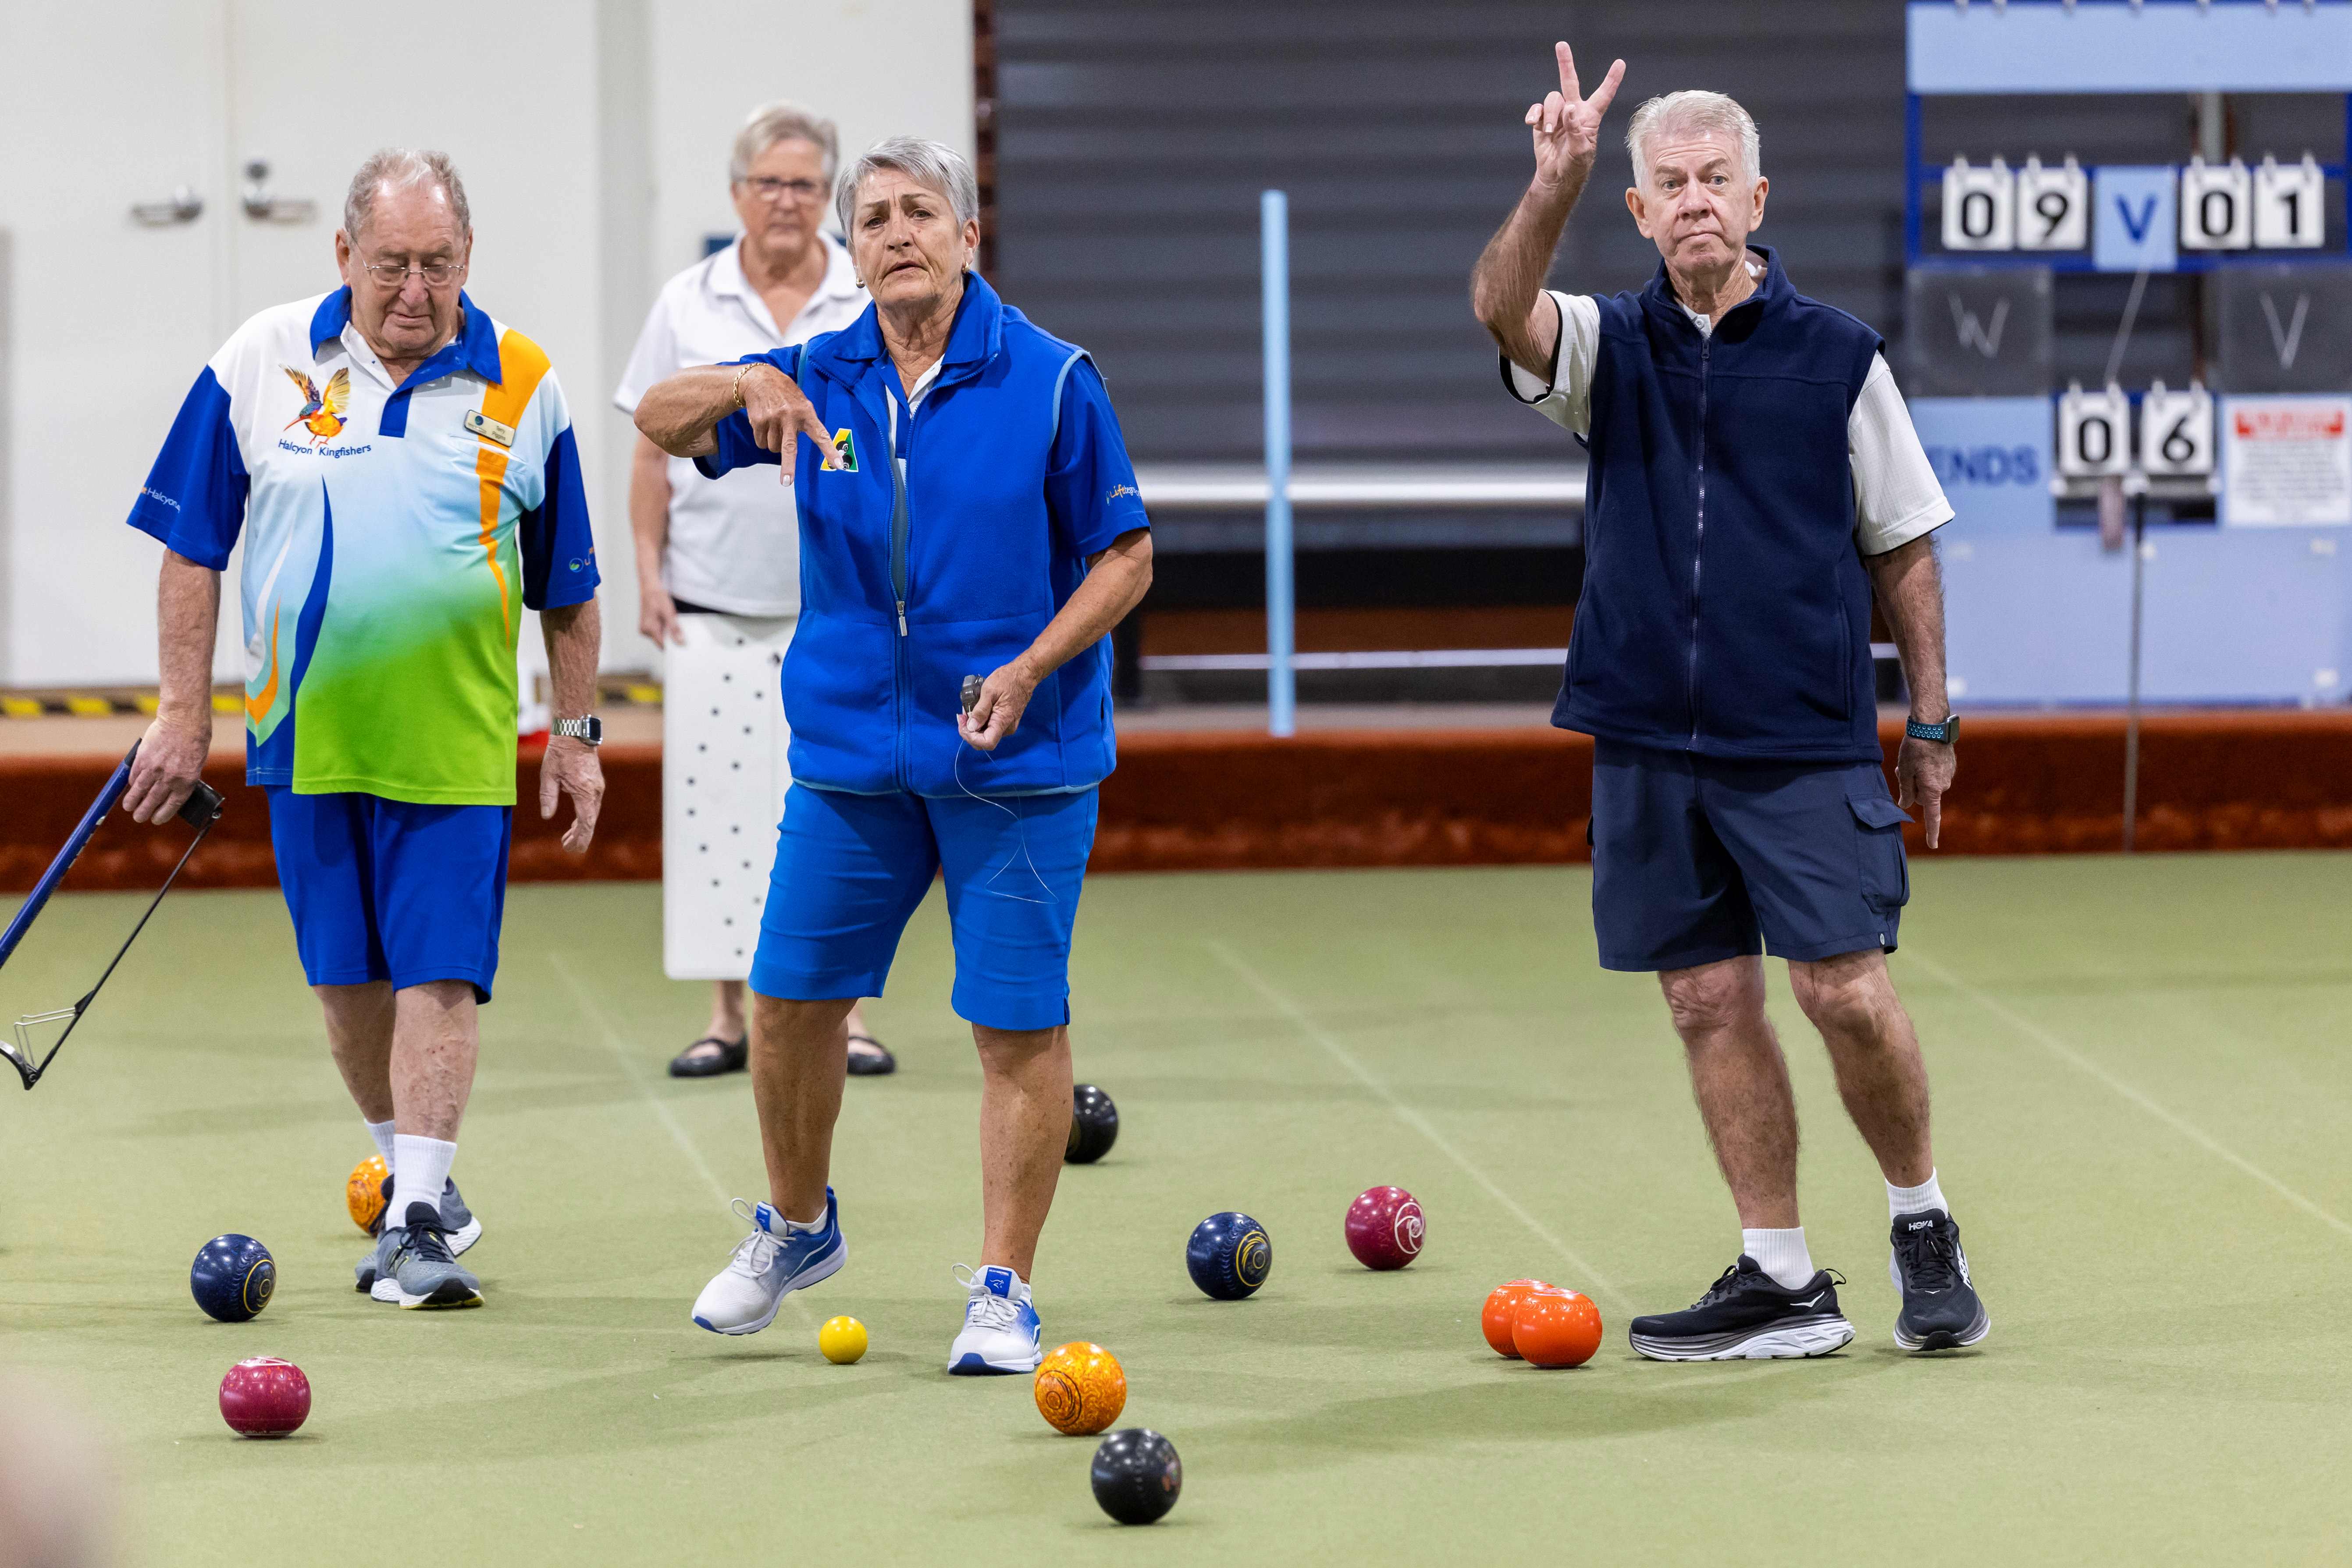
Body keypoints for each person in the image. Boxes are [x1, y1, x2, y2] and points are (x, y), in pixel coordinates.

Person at [1470, 47, 1989, 1358]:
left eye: (1716, 179)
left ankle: (1919, 1220)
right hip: (1646, 736)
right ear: (1635, 212)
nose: (1693, 200)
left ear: (1758, 200)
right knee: (1704, 1001)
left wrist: (1927, 720)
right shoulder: (1606, 345)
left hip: (1801, 736)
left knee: (1844, 993)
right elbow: (1499, 305)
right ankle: (1778, 1276)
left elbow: (1905, 545)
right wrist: (1551, 183)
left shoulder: (1839, 360)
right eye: (1666, 184)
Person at [636, 136, 1151, 1373]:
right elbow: (656, 421)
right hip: (854, 754)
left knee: (1014, 1030)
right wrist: (735, 392)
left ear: (968, 236)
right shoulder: (817, 371)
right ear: (848, 253)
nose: (897, 233)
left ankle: (1000, 1292)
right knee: (786, 1001)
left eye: (922, 212)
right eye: (873, 219)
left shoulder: (1049, 379)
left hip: (1018, 762)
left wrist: (1030, 669)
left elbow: (1123, 556)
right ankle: (798, 1229)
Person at [123, 148, 605, 1313]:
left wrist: (578, 730)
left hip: (457, 738)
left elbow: (571, 585)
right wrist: (181, 712)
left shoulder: (525, 382)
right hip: (304, 732)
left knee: (440, 971)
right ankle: (410, 1179)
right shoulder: (260, 359)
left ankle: (418, 1218)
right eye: (390, 262)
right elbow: (192, 548)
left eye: (438, 263)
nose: (413, 288)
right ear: (343, 255)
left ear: (468, 260)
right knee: (346, 983)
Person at [615, 101, 894, 1081]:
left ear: (830, 199)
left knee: (845, 808)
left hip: (842, 600)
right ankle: (726, 1014)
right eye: (769, 184)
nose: (787, 202)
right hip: (711, 600)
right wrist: (649, 576)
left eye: (806, 186)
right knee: (719, 812)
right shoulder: (686, 302)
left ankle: (850, 1015)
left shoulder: (866, 303)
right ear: (738, 193)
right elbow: (651, 451)